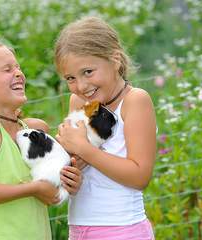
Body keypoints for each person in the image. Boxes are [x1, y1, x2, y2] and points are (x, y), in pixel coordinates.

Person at [0, 39, 82, 240]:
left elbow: (49, 194)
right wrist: (34, 188)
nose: (19, 73)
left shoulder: (36, 129)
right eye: (7, 69)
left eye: (18, 67)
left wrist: (67, 182)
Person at [54, 16, 157, 240]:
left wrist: (84, 150)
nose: (81, 86)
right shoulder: (79, 102)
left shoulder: (134, 101)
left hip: (122, 229)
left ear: (116, 59)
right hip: (79, 228)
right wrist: (70, 167)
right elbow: (79, 162)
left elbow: (140, 176)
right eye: (70, 78)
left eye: (88, 72)